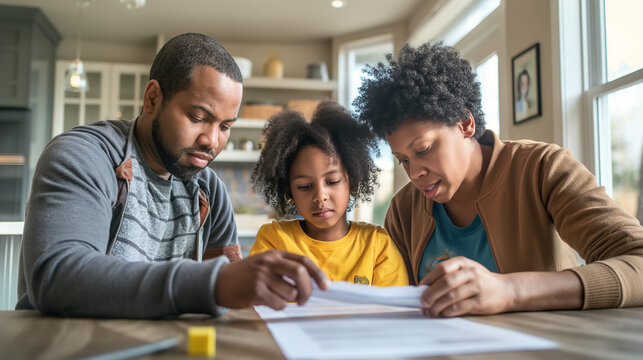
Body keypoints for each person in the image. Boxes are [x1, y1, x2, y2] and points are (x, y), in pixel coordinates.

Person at [16, 33, 329, 318]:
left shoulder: (209, 191)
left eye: (224, 127)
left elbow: (235, 299)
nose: (212, 140)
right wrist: (214, 283)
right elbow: (57, 277)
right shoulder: (84, 156)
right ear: (152, 98)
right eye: (198, 117)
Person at [353, 42, 643, 317]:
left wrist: (510, 290)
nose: (414, 173)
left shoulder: (544, 169)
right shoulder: (404, 211)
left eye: (424, 149)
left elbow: (637, 261)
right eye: (403, 160)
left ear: (466, 124)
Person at [249, 101, 408, 286]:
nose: (320, 196)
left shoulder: (377, 245)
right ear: (288, 191)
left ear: (353, 181)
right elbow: (257, 300)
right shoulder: (274, 239)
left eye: (332, 182)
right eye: (305, 186)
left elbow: (392, 312)